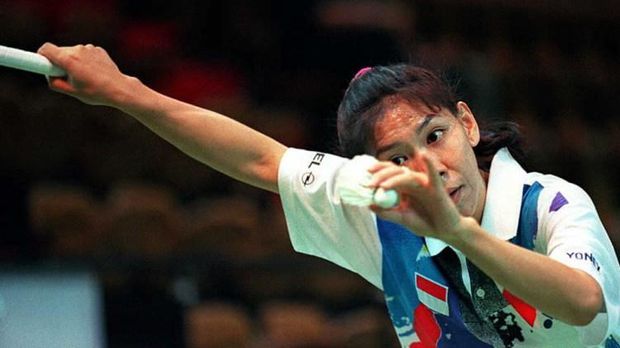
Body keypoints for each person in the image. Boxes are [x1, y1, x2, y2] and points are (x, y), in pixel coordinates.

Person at [36, 43, 619, 347]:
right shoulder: (382, 210)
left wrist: (457, 232)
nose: (429, 167)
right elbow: (261, 159)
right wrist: (122, 91)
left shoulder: (550, 207)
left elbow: (582, 303)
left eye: (435, 136)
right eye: (397, 159)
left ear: (467, 125)